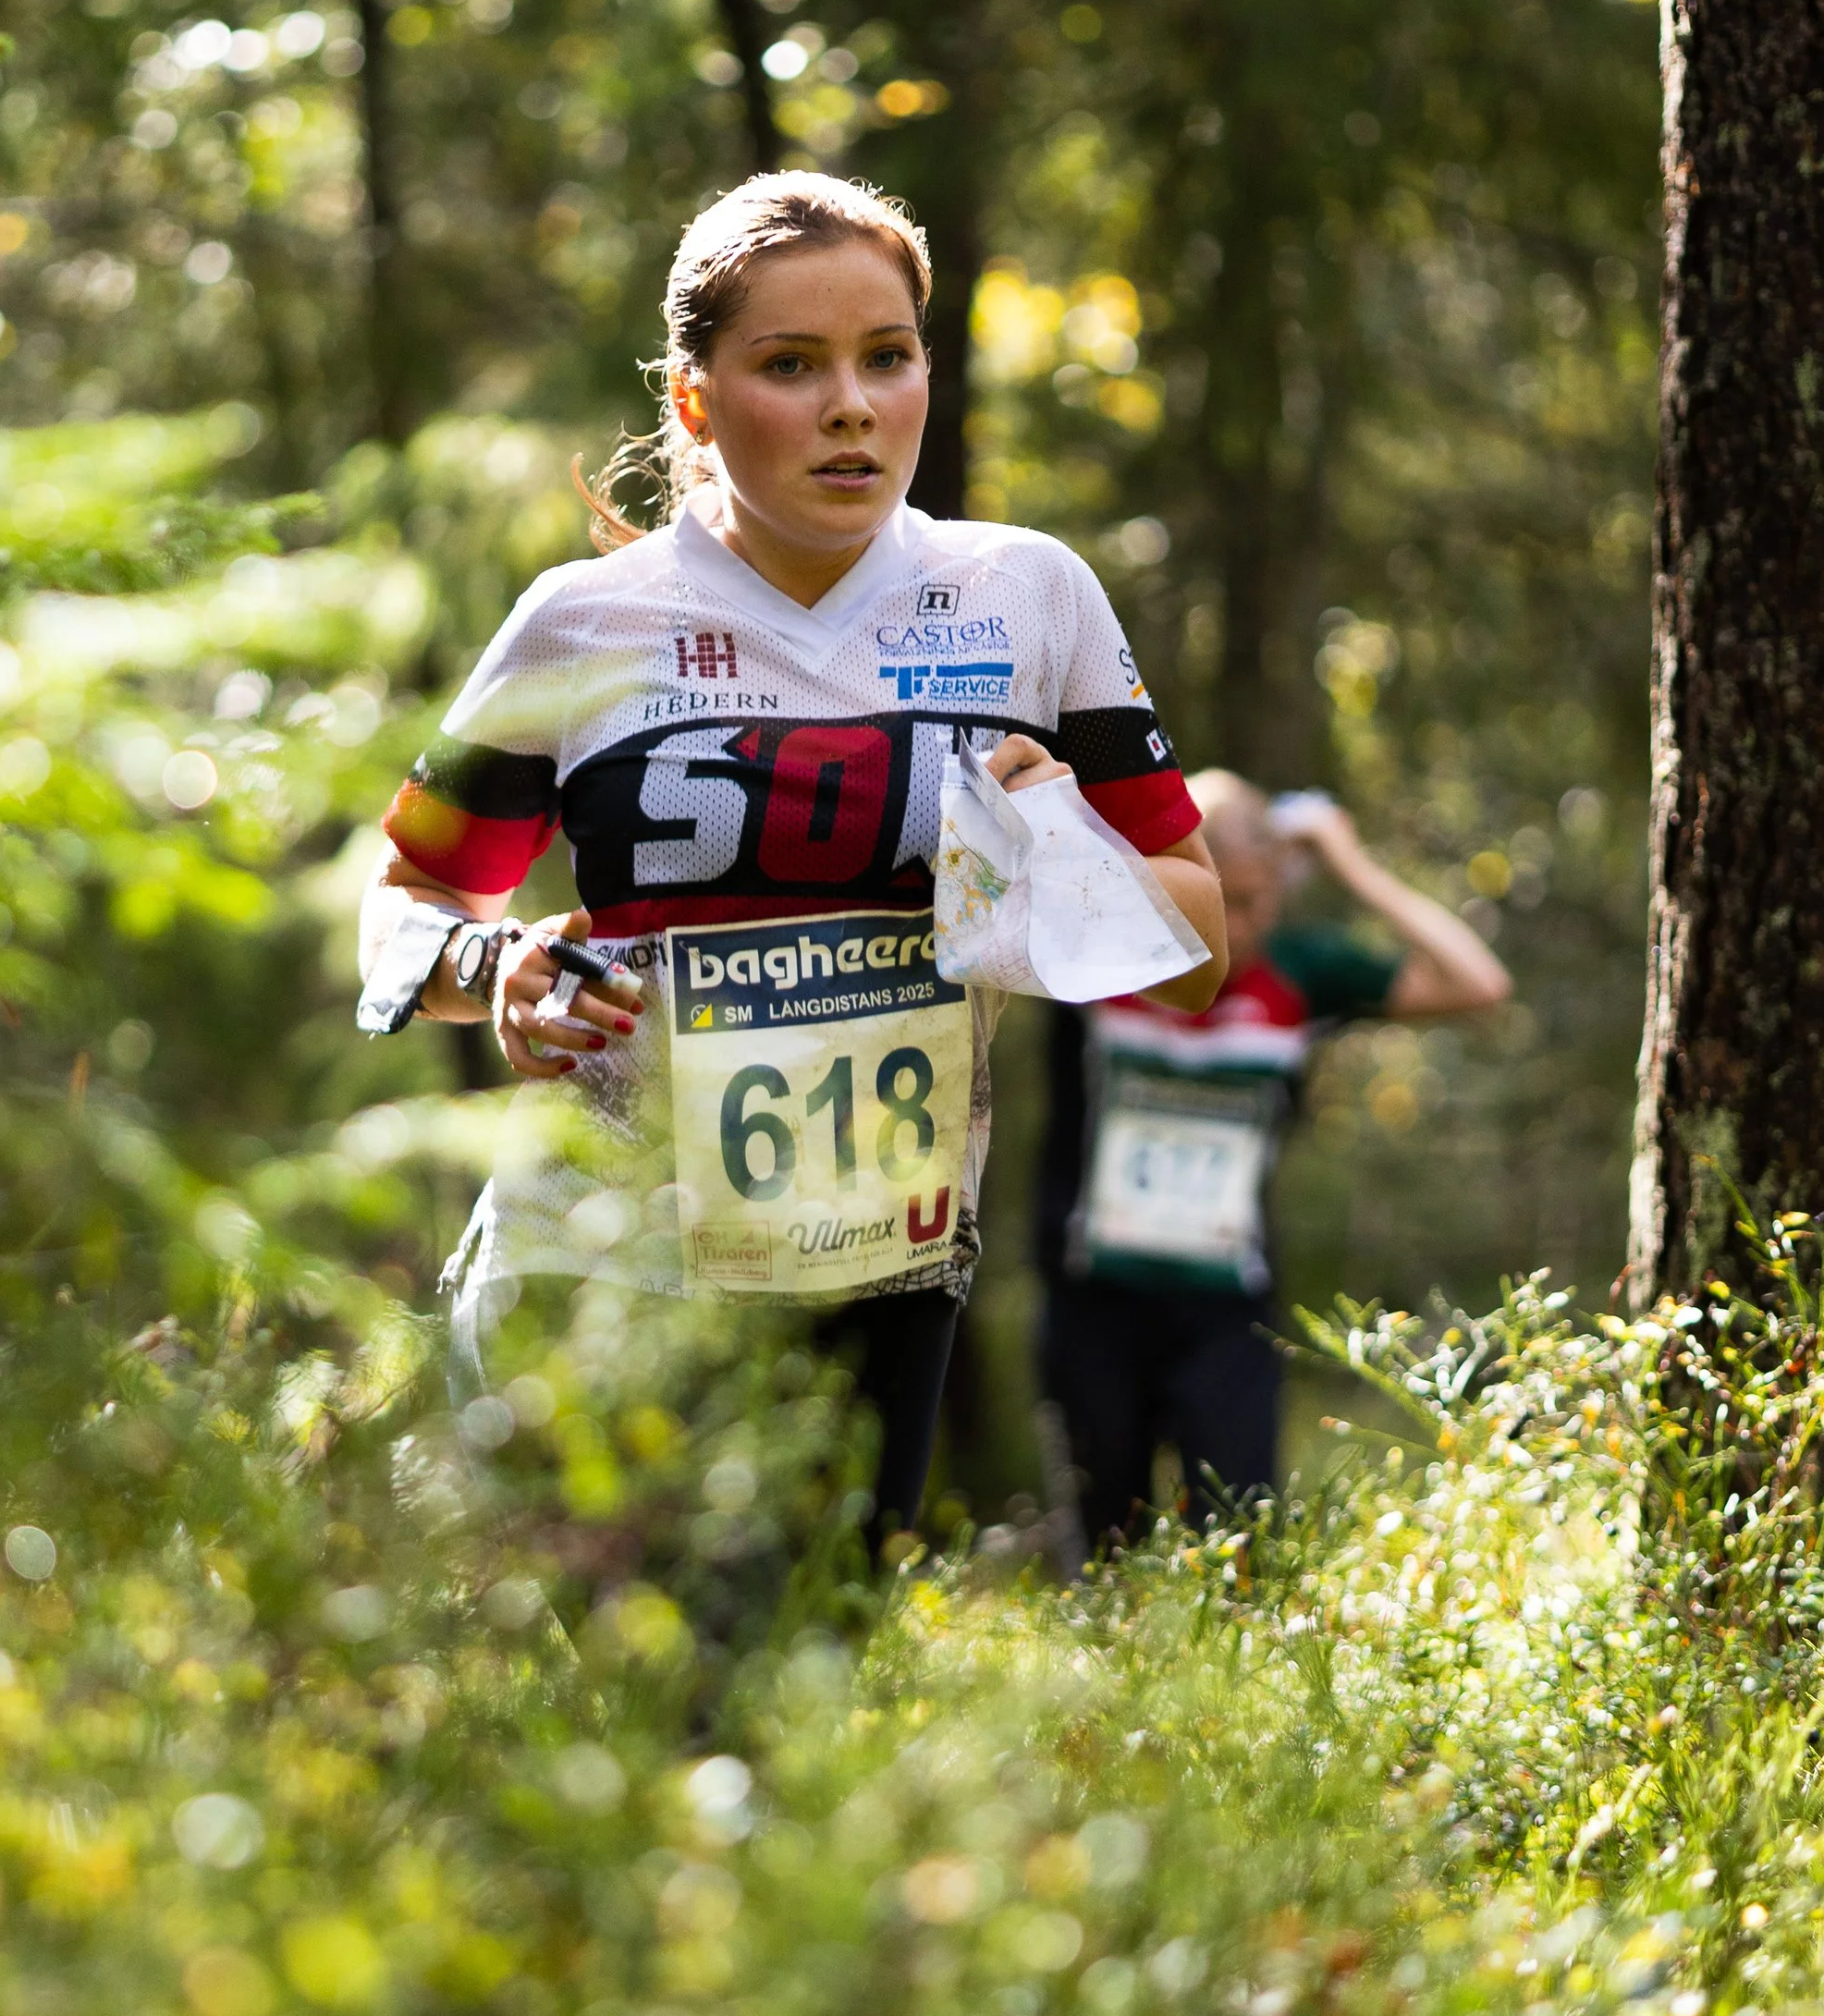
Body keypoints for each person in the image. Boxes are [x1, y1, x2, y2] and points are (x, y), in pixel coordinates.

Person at [356, 174, 1226, 1558]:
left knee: (804, 1654)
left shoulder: (1028, 597)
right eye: (790, 365)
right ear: (695, 400)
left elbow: (1195, 952)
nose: (851, 406)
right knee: (645, 1664)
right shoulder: (582, 624)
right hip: (600, 1247)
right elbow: (407, 903)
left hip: (880, 1255)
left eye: (888, 357)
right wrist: (495, 963)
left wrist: (1055, 849)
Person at [1033, 768, 1510, 1552]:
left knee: (1243, 1545)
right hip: (1097, 1302)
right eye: (1215, 898)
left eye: (1254, 901)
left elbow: (1479, 982)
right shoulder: (1098, 953)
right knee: (1105, 1552)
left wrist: (1350, 863)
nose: (1234, 925)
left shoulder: (1297, 974)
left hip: (1225, 1310)